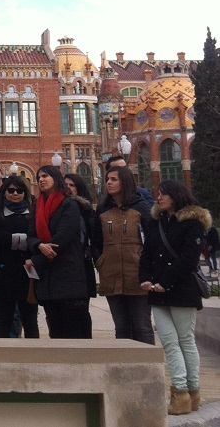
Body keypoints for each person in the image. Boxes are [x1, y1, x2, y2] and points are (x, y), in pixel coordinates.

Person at [140, 180, 211, 415]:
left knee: (185, 340)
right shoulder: (155, 222)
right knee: (170, 342)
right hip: (157, 292)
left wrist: (165, 282)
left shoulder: (192, 223)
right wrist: (146, 279)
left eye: (164, 194)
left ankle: (192, 390)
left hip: (182, 290)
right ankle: (180, 393)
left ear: (176, 196)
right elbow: (147, 254)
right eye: (158, 194)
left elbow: (189, 259)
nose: (158, 197)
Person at [25, 165, 89, 339]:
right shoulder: (37, 205)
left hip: (67, 275)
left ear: (55, 178)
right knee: (55, 330)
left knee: (72, 330)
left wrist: (38, 258)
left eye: (45, 176)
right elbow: (30, 235)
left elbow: (63, 238)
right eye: (39, 177)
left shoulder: (69, 204)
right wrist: (39, 245)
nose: (41, 180)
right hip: (47, 278)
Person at [93, 166, 154, 344]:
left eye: (114, 179)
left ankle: (148, 369)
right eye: (107, 179)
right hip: (111, 275)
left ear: (125, 182)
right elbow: (95, 241)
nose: (109, 183)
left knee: (142, 326)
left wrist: (144, 264)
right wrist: (101, 262)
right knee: (121, 328)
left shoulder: (142, 207)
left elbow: (151, 240)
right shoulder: (103, 210)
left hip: (137, 276)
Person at [0, 175, 39, 338]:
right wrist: (26, 240)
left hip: (27, 272)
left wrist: (12, 240)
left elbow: (37, 237)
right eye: (11, 190)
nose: (15, 193)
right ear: (4, 193)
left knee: (30, 319)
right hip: (4, 273)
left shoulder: (33, 214)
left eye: (20, 190)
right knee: (3, 319)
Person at [64, 173, 97, 338]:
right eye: (65, 185)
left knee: (82, 310)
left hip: (82, 264)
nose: (68, 189)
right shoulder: (59, 210)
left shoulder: (87, 211)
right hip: (64, 266)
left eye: (72, 185)